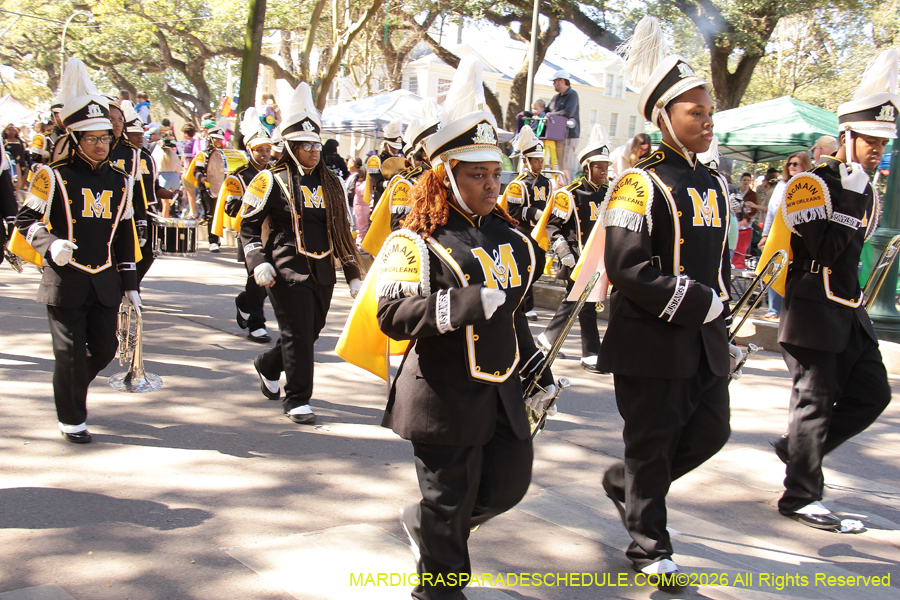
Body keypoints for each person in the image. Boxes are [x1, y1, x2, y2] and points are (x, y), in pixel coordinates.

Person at [373, 55, 555, 600]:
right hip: (443, 394)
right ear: (446, 177)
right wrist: (464, 303)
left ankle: (431, 527)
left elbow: (516, 314)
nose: (492, 185)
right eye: (478, 175)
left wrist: (538, 369)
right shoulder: (415, 240)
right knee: (449, 502)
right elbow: (392, 316)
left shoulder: (513, 238)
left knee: (508, 486)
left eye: (496, 174)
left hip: (502, 391)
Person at [598, 17, 733, 589]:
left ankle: (628, 486)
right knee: (652, 446)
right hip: (651, 340)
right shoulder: (637, 183)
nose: (707, 121)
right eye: (695, 113)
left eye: (709, 113)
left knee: (711, 432)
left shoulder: (714, 182)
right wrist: (699, 302)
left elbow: (717, 261)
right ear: (663, 117)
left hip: (704, 338)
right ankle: (650, 545)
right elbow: (626, 269)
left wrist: (723, 314)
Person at [765, 50, 896, 531]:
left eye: (883, 141)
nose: (877, 149)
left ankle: (798, 449)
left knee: (872, 394)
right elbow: (822, 249)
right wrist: (853, 196)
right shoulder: (810, 183)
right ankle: (801, 495)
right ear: (847, 136)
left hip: (849, 309)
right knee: (814, 404)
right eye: (870, 139)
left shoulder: (868, 188)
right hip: (812, 308)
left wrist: (860, 191)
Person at [13, 58, 139, 444]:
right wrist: (51, 244)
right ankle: (72, 418)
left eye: (105, 138)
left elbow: (123, 235)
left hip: (104, 281)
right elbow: (24, 221)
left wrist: (131, 284)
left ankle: (68, 388)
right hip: (64, 281)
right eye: (92, 139)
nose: (101, 145)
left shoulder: (122, 181)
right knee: (68, 353)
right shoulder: (51, 175)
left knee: (104, 349)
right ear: (75, 140)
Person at [239, 82, 361, 425]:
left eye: (316, 144)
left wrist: (353, 274)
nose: (313, 150)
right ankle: (297, 399)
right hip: (285, 267)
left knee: (311, 332)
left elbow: (342, 231)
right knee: (298, 334)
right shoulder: (269, 179)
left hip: (322, 270)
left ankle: (268, 364)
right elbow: (247, 227)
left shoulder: (332, 183)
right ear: (291, 148)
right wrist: (258, 261)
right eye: (306, 145)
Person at [539, 123, 610, 373]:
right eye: (599, 167)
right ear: (587, 167)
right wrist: (564, 252)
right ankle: (591, 353)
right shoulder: (569, 194)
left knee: (575, 301)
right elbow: (552, 226)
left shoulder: (608, 194)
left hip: (598, 261)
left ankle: (547, 338)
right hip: (576, 259)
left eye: (606, 167)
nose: (604, 172)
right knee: (584, 304)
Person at [214, 107, 274, 343]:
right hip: (250, 233)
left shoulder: (275, 173)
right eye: (260, 150)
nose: (265, 154)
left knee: (270, 280)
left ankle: (243, 302)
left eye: (268, 149)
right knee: (256, 278)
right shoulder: (239, 175)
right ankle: (256, 324)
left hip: (273, 233)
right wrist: (250, 202)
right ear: (250, 150)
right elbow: (231, 208)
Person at [503, 125, 551, 321]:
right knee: (527, 267)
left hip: (540, 233)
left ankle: (522, 300)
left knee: (539, 267)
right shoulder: (518, 184)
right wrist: (533, 213)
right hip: (523, 231)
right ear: (527, 161)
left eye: (541, 160)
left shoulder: (547, 182)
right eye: (536, 161)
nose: (539, 164)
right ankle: (526, 305)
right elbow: (512, 211)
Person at [759, 151, 812, 319]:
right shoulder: (781, 185)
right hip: (779, 234)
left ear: (805, 164)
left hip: (799, 236)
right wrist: (765, 235)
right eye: (789, 164)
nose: (791, 167)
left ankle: (791, 310)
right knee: (775, 268)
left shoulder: (810, 183)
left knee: (794, 272)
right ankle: (774, 309)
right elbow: (771, 212)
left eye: (795, 164)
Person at [194, 127, 226, 252]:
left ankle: (217, 237)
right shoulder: (203, 155)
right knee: (211, 214)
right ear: (210, 139)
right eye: (216, 139)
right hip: (208, 188)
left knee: (221, 214)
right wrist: (202, 178)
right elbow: (197, 171)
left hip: (222, 188)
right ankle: (213, 241)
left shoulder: (223, 154)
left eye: (220, 139)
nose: (218, 141)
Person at [548, 69, 580, 181]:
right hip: (557, 136)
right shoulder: (556, 98)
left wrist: (551, 115)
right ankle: (558, 186)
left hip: (569, 135)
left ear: (562, 81)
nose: (553, 84)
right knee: (555, 164)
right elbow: (546, 111)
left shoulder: (572, 95)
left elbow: (568, 112)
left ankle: (566, 187)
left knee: (564, 165)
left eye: (555, 81)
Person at [181, 123, 200, 218]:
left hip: (190, 170)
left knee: (190, 193)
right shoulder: (197, 142)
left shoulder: (188, 143)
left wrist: (187, 172)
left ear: (186, 133)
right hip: (197, 170)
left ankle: (193, 212)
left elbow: (189, 160)